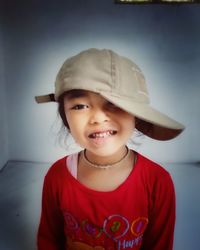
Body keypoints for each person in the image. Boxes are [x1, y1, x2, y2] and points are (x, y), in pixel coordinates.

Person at [35, 48, 184, 250]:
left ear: (136, 115)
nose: (98, 118)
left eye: (114, 104)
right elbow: (48, 240)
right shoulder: (57, 175)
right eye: (79, 106)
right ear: (65, 118)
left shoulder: (158, 182)